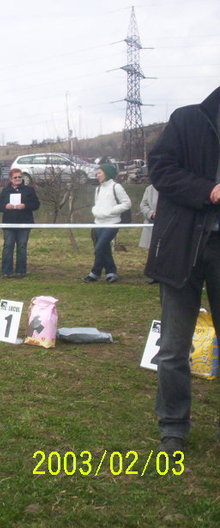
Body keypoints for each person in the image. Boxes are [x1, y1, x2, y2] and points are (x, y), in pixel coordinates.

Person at [144, 85, 220, 456]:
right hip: (183, 248)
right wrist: (209, 191)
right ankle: (173, 427)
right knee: (174, 347)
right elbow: (160, 169)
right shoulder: (187, 119)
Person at [81, 164, 131, 283]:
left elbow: (127, 203)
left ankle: (95, 272)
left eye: (99, 173)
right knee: (104, 248)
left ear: (107, 173)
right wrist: (95, 211)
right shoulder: (98, 188)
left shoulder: (116, 187)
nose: (97, 175)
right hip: (98, 223)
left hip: (112, 223)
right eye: (96, 173)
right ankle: (110, 272)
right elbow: (97, 204)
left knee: (100, 247)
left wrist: (111, 211)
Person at [0, 168, 40, 278]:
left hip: (24, 223)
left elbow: (36, 204)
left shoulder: (29, 190)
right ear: (10, 179)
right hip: (9, 223)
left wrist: (25, 206)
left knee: (22, 247)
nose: (18, 179)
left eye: (20, 177)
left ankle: (21, 271)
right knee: (8, 246)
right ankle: (7, 271)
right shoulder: (5, 191)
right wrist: (6, 206)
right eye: (15, 177)